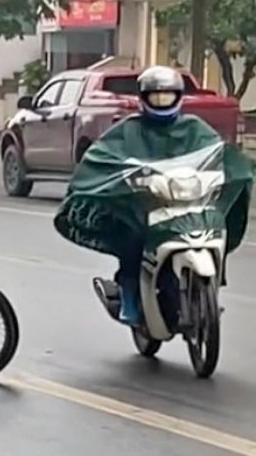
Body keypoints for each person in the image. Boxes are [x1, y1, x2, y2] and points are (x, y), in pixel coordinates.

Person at [55, 66, 234, 326]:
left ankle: (209, 289)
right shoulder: (127, 130)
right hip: (145, 206)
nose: (162, 101)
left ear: (179, 96)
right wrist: (124, 177)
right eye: (155, 96)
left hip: (187, 203)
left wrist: (226, 170)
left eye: (168, 95)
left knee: (216, 226)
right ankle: (129, 292)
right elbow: (101, 157)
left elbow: (217, 152)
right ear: (143, 97)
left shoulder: (196, 128)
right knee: (134, 237)